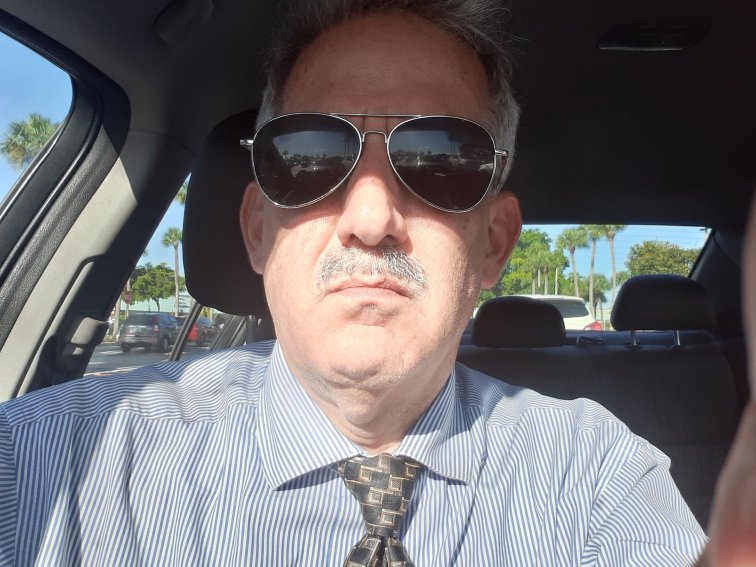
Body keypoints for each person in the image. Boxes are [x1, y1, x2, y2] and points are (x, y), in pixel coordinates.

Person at [0, 0, 753, 565]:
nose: (370, 216)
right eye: (309, 155)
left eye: (439, 160)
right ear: (257, 229)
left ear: (492, 246)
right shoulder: (57, 460)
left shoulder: (596, 477)